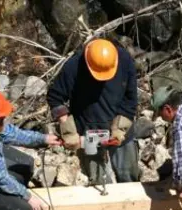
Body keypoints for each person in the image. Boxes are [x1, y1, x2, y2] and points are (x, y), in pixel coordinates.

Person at [46, 38, 139, 185]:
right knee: (98, 180)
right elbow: (55, 97)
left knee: (129, 177)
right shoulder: (74, 66)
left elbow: (130, 99)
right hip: (88, 131)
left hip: (119, 129)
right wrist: (69, 131)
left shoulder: (125, 61)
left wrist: (120, 128)